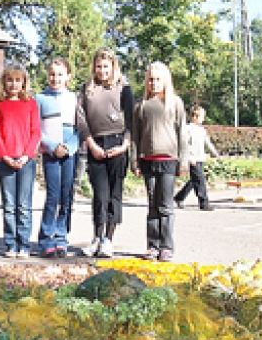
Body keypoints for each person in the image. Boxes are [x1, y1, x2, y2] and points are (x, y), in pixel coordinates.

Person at [77, 48, 133, 259]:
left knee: (114, 194)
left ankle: (108, 239)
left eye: (106, 67)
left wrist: (124, 145)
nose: (102, 71)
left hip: (117, 143)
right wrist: (91, 144)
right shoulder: (87, 89)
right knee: (100, 195)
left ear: (113, 67)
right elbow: (81, 119)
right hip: (96, 144)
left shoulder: (124, 88)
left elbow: (132, 120)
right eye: (99, 67)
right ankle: (97, 237)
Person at [132, 62, 186, 262]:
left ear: (165, 81)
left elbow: (182, 133)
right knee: (152, 205)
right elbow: (135, 136)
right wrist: (134, 161)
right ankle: (152, 245)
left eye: (157, 79)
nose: (154, 83)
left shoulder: (175, 103)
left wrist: (183, 161)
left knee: (165, 205)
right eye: (150, 80)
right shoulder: (141, 106)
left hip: (169, 160)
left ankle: (166, 246)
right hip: (147, 159)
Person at [0, 63, 41, 258]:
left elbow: (36, 131)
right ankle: (11, 243)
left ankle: (24, 244)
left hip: (26, 161)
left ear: (24, 82)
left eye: (18, 80)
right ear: (4, 82)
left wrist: (26, 155)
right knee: (9, 205)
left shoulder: (31, 103)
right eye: (10, 80)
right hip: (5, 160)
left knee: (24, 205)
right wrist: (4, 156)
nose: (13, 84)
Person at [36, 56, 80, 259]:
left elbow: (80, 128)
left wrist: (70, 147)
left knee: (66, 195)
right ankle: (46, 239)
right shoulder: (40, 98)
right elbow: (36, 129)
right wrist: (53, 147)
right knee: (53, 196)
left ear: (68, 76)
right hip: (51, 152)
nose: (56, 78)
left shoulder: (74, 99)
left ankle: (62, 237)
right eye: (52, 74)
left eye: (60, 75)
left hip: (69, 151)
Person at [175, 105, 219, 210]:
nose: (203, 119)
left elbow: (207, 143)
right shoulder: (188, 129)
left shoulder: (202, 130)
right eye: (202, 116)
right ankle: (204, 203)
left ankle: (179, 197)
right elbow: (185, 144)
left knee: (194, 180)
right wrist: (189, 157)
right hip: (192, 159)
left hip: (200, 158)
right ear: (195, 116)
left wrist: (215, 153)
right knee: (200, 181)